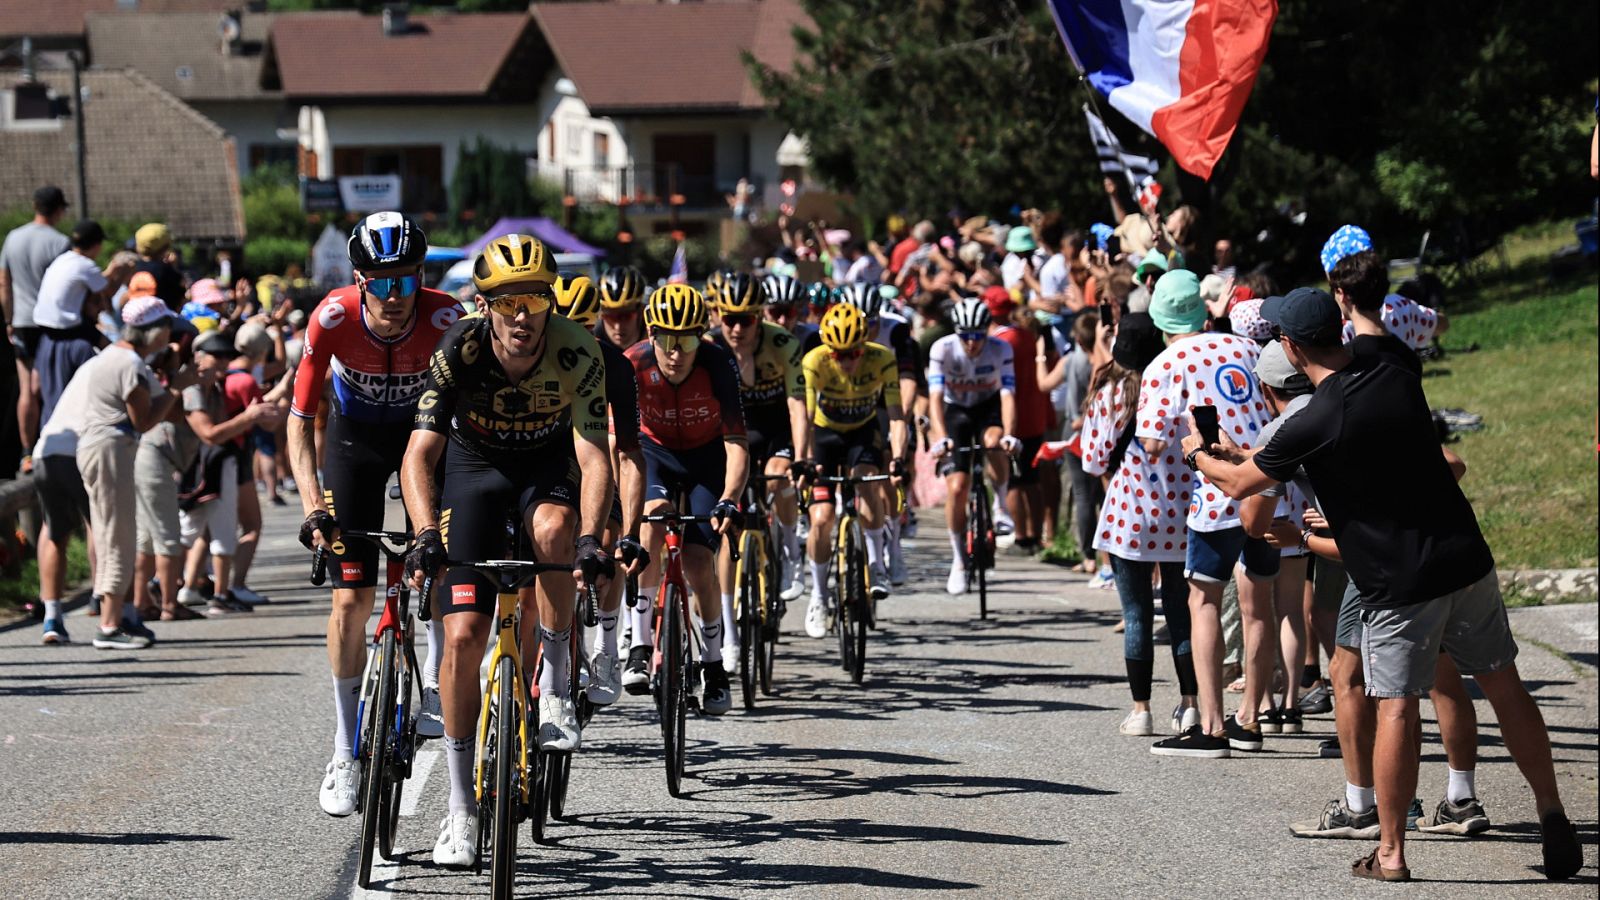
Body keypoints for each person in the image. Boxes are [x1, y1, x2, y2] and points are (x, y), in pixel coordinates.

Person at [1189, 286, 1583, 882]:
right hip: (1463, 554)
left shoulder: (1314, 417)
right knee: (1503, 684)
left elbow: (1242, 486)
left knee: (1396, 707)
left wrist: (1198, 454)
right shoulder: (1393, 370)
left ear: (1291, 348)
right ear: (1338, 328)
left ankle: (1392, 852)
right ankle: (1552, 810)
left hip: (1396, 582)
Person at [401, 234, 614, 869]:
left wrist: (591, 541)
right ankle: (461, 809)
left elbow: (593, 454)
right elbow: (420, 453)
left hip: (544, 467)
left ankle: (552, 686)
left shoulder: (578, 350)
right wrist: (422, 536)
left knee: (555, 532)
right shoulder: (459, 347)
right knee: (464, 633)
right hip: (474, 470)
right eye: (507, 301)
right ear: (484, 304)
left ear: (552, 300)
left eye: (536, 299)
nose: (523, 315)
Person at [288, 212, 462, 817]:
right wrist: (313, 508)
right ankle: (342, 749)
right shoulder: (332, 318)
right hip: (354, 443)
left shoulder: (447, 319)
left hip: (425, 440)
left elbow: (467, 417)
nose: (394, 297)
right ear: (359, 279)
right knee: (349, 599)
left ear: (421, 277)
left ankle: (438, 684)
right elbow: (300, 422)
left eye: (406, 282)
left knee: (440, 559)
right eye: (381, 283)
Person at [1139, 270, 1272, 760]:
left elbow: (1153, 444)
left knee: (1204, 601)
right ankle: (1251, 718)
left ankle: (1212, 725)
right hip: (1265, 484)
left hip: (1216, 495)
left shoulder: (1166, 363)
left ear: (1160, 317)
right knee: (1259, 603)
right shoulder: (1245, 347)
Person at [620, 284, 748, 712]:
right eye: (668, 340)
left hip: (706, 458)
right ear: (651, 334)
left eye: (688, 340)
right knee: (651, 526)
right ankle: (639, 645)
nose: (677, 352)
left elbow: (736, 441)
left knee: (697, 563)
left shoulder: (717, 361)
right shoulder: (633, 363)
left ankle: (714, 668)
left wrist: (730, 496)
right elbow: (618, 444)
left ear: (701, 337)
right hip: (654, 453)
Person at [1080, 312, 1198, 735]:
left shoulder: (1109, 395)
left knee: (1136, 614)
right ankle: (1190, 705)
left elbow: (1092, 460)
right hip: (1183, 511)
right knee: (1183, 613)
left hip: (1130, 513)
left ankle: (1142, 710)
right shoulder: (1176, 387)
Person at [73, 295, 191, 649]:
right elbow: (145, 420)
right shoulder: (128, 362)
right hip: (110, 447)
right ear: (153, 331)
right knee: (117, 536)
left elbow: (165, 411)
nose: (169, 336)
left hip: (103, 448)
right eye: (166, 327)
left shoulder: (120, 357)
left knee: (120, 532)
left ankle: (123, 614)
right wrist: (176, 386)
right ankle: (110, 624)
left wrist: (171, 384)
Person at [551, 272, 645, 707]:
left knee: (605, 545)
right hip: (546, 461)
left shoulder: (615, 365)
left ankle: (607, 646)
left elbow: (628, 453)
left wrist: (633, 530)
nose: (573, 338)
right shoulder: (528, 354)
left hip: (594, 461)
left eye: (584, 329)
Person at [796, 303, 908, 636]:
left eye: (853, 353)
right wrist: (802, 457)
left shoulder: (881, 358)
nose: (846, 361)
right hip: (825, 436)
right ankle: (818, 593)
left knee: (868, 482)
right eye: (838, 354)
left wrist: (899, 457)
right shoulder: (814, 361)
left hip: (862, 431)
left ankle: (876, 564)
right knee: (821, 518)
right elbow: (804, 415)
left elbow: (897, 415)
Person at [706, 272, 808, 626]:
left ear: (759, 316)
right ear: (719, 315)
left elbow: (798, 405)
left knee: (778, 481)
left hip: (775, 424)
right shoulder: (710, 345)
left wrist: (803, 457)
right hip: (732, 430)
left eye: (745, 320)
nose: (736, 329)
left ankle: (791, 548)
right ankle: (728, 628)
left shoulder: (783, 343)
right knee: (729, 523)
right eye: (729, 319)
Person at [179, 331, 281, 617]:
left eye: (226, 357)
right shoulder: (203, 387)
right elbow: (212, 433)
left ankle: (184, 586)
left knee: (199, 530)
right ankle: (225, 591)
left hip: (203, 463)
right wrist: (254, 416)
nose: (222, 364)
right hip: (221, 461)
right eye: (216, 358)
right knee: (234, 526)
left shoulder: (217, 384)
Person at [924, 296, 1018, 595]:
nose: (972, 343)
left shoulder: (1001, 348)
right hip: (956, 411)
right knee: (957, 487)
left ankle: (1001, 504)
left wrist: (1010, 435)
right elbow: (935, 400)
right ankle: (959, 560)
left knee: (994, 443)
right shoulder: (943, 348)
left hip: (988, 406)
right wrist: (941, 439)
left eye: (978, 336)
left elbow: (1007, 395)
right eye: (966, 336)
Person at [129, 275, 206, 623]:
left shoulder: (157, 371)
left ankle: (142, 601)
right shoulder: (159, 375)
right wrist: (180, 382)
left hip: (149, 457)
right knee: (166, 535)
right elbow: (179, 416)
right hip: (154, 458)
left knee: (147, 538)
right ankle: (170, 605)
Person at [835, 282, 920, 584]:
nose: (866, 330)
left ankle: (893, 544)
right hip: (846, 401)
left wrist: (901, 424)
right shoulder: (834, 330)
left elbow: (908, 381)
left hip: (886, 399)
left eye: (871, 323)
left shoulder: (896, 331)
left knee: (885, 470)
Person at [33, 220, 134, 426]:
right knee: (112, 351)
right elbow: (107, 292)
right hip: (70, 329)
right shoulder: (85, 265)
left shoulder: (62, 260)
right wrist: (116, 269)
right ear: (96, 245)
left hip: (45, 328)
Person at [1, 185, 71, 470]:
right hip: (48, 322)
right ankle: (49, 443)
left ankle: (27, 452)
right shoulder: (60, 242)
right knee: (47, 384)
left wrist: (9, 320)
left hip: (20, 321)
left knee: (26, 389)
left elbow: (4, 283)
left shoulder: (13, 238)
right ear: (58, 210)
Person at [985, 288, 1053, 555]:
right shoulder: (1027, 335)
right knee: (1032, 479)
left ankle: (1022, 536)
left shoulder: (999, 343)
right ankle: (1035, 535)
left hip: (1010, 418)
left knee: (1013, 481)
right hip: (1034, 414)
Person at [1040, 314, 1102, 576]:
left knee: (1081, 494)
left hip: (1074, 430)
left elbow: (1044, 384)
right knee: (1101, 493)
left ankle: (1087, 554)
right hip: (1099, 429)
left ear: (1077, 338)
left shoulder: (1069, 362)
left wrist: (1039, 357)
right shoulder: (1104, 363)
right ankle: (1104, 556)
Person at [132, 223, 186, 309]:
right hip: (164, 317)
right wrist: (174, 267)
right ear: (166, 246)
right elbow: (180, 297)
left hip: (136, 316)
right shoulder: (166, 270)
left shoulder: (133, 267)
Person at [597, 265, 647, 350]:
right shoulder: (592, 340)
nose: (618, 327)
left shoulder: (655, 338)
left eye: (626, 316)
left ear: (641, 311)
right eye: (609, 317)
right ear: (600, 315)